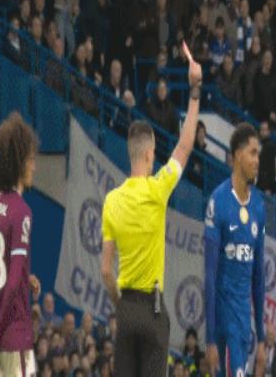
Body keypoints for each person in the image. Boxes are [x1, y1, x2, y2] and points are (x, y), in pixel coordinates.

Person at [100, 41, 202, 377]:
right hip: (152, 307)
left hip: (127, 308)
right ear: (149, 154)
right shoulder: (157, 189)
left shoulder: (112, 201)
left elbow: (105, 271)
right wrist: (195, 90)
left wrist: (120, 305)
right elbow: (185, 145)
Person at [0, 112, 41, 376]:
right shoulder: (22, 211)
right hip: (14, 333)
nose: (34, 167)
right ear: (20, 163)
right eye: (31, 160)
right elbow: (12, 280)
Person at [204, 123, 266, 376]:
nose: (257, 160)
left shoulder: (258, 206)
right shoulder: (218, 201)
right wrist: (209, 339)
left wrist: (261, 339)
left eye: (258, 154)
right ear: (238, 155)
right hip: (223, 320)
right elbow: (209, 274)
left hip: (243, 325)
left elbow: (258, 276)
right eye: (253, 153)